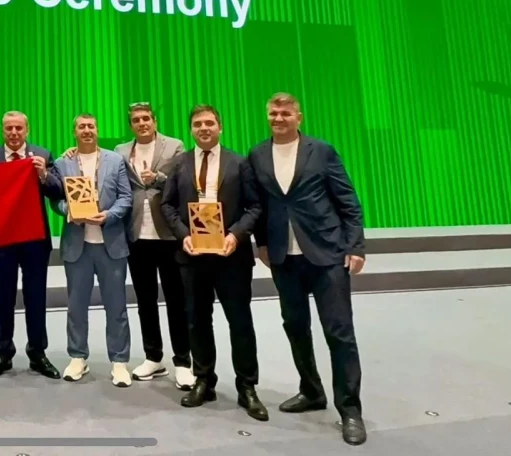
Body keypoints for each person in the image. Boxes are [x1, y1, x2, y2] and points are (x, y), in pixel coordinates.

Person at [250, 93, 367, 446]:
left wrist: (355, 246)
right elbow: (259, 204)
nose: (278, 118)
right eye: (273, 113)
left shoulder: (322, 151)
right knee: (295, 327)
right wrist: (262, 243)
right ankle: (312, 391)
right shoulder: (257, 154)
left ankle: (350, 410)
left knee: (339, 332)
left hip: (327, 254)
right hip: (284, 259)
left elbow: (348, 200)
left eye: (285, 113)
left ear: (299, 117)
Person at [161, 105, 267, 421]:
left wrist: (236, 235)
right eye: (197, 124)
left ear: (220, 127)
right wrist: (183, 235)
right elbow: (167, 206)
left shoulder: (240, 163)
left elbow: (254, 206)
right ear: (191, 130)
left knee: (240, 322)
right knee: (197, 322)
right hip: (192, 256)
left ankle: (247, 387)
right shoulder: (179, 163)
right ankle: (204, 380)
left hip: (231, 256)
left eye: (209, 123)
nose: (204, 128)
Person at [51, 113, 133, 387]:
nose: (87, 130)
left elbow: (126, 197)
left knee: (116, 306)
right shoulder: (62, 163)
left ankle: (119, 361)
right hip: (78, 246)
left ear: (97, 130)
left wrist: (109, 215)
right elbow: (56, 200)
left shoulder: (115, 160)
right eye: (81, 127)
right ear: (74, 132)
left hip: (111, 245)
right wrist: (70, 212)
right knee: (76, 306)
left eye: (91, 126)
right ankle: (78, 357)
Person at [114, 102, 192, 388]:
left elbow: (184, 180)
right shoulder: (121, 151)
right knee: (145, 301)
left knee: (176, 301)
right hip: (137, 235)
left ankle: (183, 361)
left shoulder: (174, 146)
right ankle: (153, 357)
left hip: (169, 234)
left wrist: (158, 178)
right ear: (131, 125)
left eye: (146, 118)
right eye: (136, 120)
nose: (142, 123)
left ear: (154, 121)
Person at [0, 111, 62, 380]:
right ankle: (3, 353)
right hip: (1, 240)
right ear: (2, 130)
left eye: (18, 128)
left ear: (27, 130)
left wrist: (43, 174)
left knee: (36, 298)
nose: (14, 133)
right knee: (3, 297)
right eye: (9, 128)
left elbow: (58, 190)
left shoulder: (42, 154)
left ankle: (38, 353)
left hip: (34, 240)